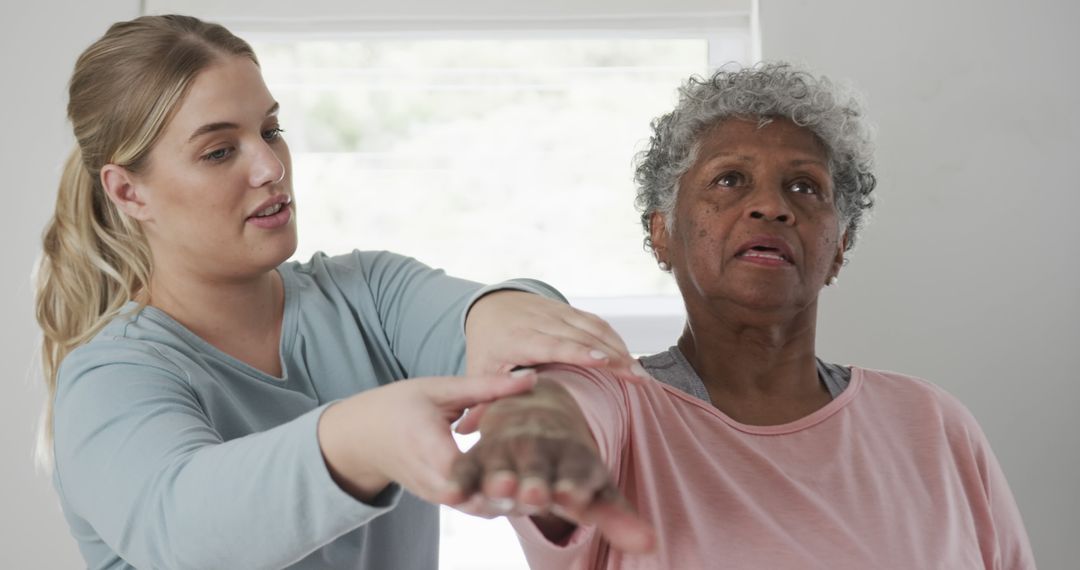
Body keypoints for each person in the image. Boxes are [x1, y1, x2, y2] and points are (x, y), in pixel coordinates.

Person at [34, 14, 652, 570]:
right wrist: (359, 438)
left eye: (270, 130)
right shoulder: (109, 378)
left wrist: (525, 383)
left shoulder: (365, 293)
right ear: (127, 192)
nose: (270, 167)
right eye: (220, 151)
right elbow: (188, 532)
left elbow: (491, 315)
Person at [449, 63, 1037, 569]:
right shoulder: (613, 405)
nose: (771, 207)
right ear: (662, 233)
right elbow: (556, 425)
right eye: (729, 180)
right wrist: (531, 426)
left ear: (839, 246)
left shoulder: (933, 424)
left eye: (805, 187)